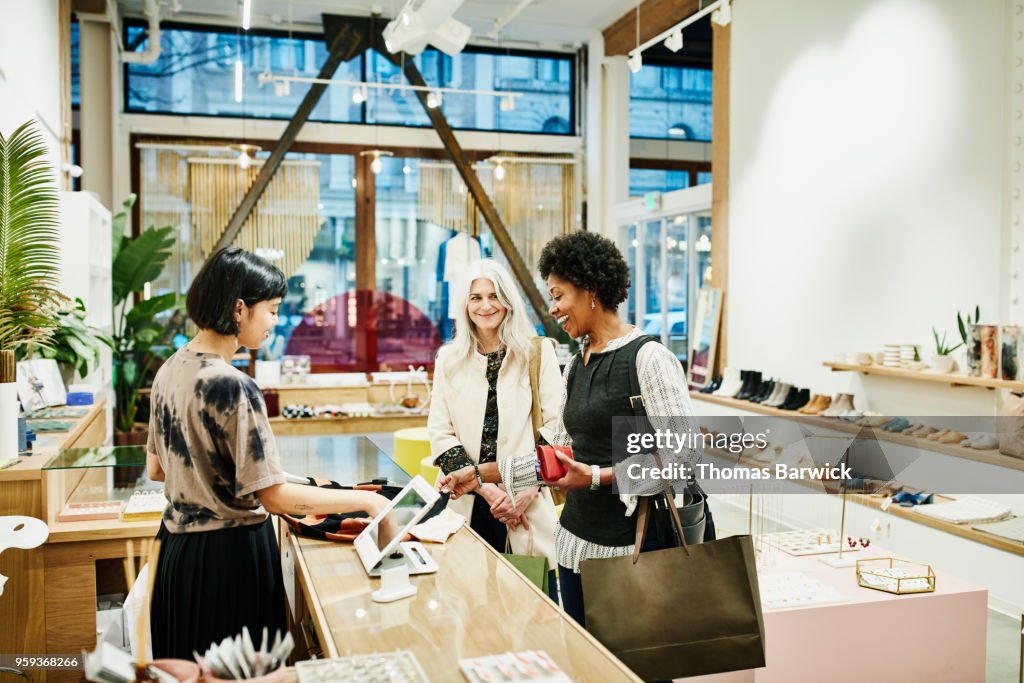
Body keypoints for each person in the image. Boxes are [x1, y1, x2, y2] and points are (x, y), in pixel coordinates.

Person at [439, 232, 708, 627]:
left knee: (633, 665)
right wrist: (479, 474)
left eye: (559, 295)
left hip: (630, 549)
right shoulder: (578, 363)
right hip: (573, 548)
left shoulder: (648, 359)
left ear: (592, 289)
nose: (553, 309)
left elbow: (685, 460)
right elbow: (556, 458)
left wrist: (599, 477)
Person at [146, 247, 395, 659]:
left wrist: (292, 481)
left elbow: (159, 469)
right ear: (240, 309)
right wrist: (369, 502)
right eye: (273, 310)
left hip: (176, 557)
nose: (275, 323)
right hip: (228, 562)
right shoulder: (234, 386)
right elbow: (272, 497)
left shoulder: (169, 370)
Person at [428, 259, 562, 601]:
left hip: (524, 503)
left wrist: (526, 485)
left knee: (528, 607)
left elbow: (557, 427)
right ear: (465, 305)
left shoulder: (536, 352)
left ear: (508, 300)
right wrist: (487, 489)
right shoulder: (449, 359)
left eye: (493, 295)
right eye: (476, 297)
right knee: (468, 609)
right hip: (466, 504)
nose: (485, 305)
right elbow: (441, 434)